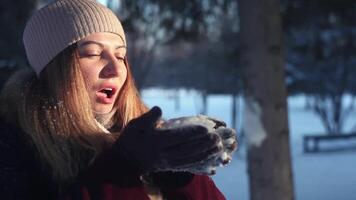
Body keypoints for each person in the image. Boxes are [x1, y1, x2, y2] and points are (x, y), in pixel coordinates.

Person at [0, 0, 237, 199]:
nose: (115, 68)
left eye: (121, 55)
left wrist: (181, 176)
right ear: (54, 69)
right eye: (93, 53)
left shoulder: (143, 138)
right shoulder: (15, 150)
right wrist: (122, 168)